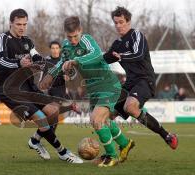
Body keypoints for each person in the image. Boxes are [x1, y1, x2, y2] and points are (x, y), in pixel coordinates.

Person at [40, 16, 134, 167]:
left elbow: (96, 55)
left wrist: (76, 61)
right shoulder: (66, 46)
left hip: (107, 84)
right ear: (65, 34)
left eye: (75, 36)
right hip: (93, 88)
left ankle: (112, 156)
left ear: (80, 31)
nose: (72, 40)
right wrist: (50, 75)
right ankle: (125, 143)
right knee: (104, 121)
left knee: (96, 120)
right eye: (69, 37)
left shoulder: (87, 40)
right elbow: (61, 62)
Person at [0, 9, 82, 163]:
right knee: (41, 118)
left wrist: (44, 64)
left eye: (25, 24)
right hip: (11, 91)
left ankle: (35, 141)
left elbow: (37, 57)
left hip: (29, 88)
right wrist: (19, 63)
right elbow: (2, 61)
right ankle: (63, 152)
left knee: (53, 111)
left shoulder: (27, 41)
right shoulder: (3, 39)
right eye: (18, 24)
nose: (22, 27)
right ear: (10, 23)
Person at [103, 6, 178, 150]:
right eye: (116, 23)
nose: (118, 26)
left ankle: (166, 135)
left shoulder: (136, 35)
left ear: (128, 21)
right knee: (106, 116)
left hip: (145, 79)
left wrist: (122, 56)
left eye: (121, 22)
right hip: (130, 83)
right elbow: (105, 59)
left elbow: (138, 54)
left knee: (130, 107)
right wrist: (82, 63)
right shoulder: (117, 43)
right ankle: (123, 146)